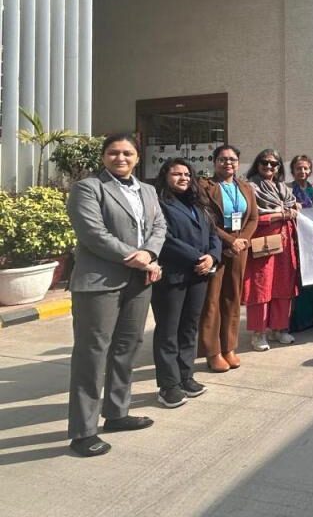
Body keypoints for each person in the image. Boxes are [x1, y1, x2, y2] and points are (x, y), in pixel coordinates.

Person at [66, 134, 166, 457]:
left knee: (127, 347)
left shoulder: (148, 190)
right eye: (113, 152)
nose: (120, 158)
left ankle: (117, 413)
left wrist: (149, 255)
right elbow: (93, 233)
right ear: (104, 156)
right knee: (92, 354)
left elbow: (159, 227)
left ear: (138, 157)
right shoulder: (89, 188)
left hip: (138, 282)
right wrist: (135, 256)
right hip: (99, 284)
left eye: (127, 153)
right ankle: (83, 431)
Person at [152, 158, 222, 409]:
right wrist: (197, 257)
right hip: (173, 275)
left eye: (186, 174)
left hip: (199, 275)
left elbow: (213, 234)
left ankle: (185, 376)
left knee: (189, 328)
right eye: (176, 174)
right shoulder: (159, 204)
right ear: (165, 177)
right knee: (168, 331)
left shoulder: (198, 203)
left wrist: (212, 257)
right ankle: (168, 385)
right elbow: (165, 239)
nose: (183, 178)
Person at [199, 145, 259, 373]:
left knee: (233, 298)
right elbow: (206, 219)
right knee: (212, 300)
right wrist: (228, 241)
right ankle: (212, 351)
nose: (228, 163)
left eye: (232, 159)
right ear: (214, 162)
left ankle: (229, 347)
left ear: (238, 162)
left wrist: (242, 240)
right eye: (223, 159)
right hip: (216, 246)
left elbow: (253, 217)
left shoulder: (245, 187)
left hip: (239, 248)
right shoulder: (205, 186)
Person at [243, 149, 300, 352]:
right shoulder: (250, 188)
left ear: (279, 168)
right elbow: (249, 216)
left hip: (285, 245)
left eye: (274, 164)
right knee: (261, 287)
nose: (269, 167)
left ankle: (279, 328)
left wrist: (293, 210)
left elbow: (291, 208)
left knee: (283, 286)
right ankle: (259, 333)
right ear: (257, 164)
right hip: (263, 243)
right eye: (264, 163)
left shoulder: (283, 188)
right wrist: (278, 215)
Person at [287, 155, 313, 332]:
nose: (302, 171)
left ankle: (312, 317)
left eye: (305, 168)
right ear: (292, 170)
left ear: (310, 170)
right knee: (297, 280)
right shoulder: (286, 190)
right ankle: (297, 320)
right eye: (298, 168)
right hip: (293, 239)